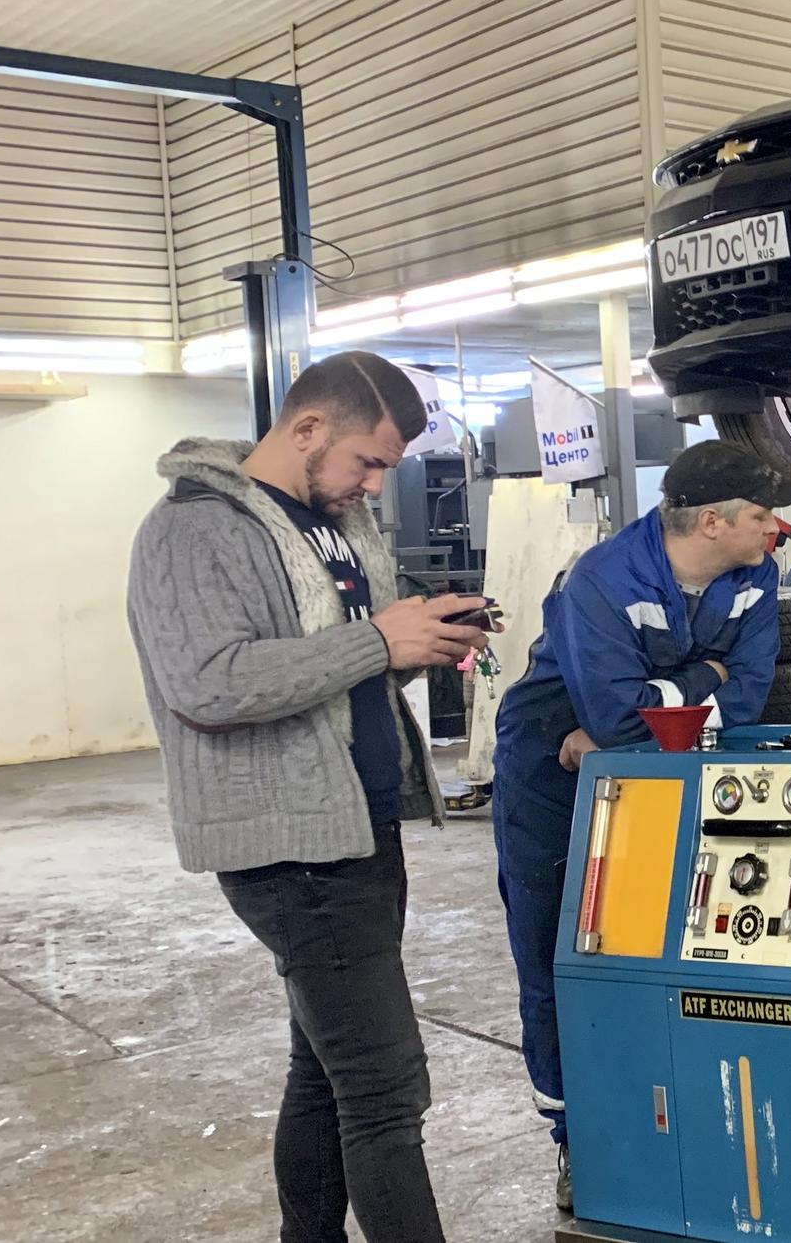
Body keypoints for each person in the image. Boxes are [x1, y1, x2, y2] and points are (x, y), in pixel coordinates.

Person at [126, 351, 495, 1243]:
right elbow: (208, 683)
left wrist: (426, 634)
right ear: (308, 428)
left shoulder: (335, 523)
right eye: (367, 462)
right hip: (289, 845)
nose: (373, 485)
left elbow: (338, 658)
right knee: (384, 1087)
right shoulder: (193, 528)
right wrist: (379, 643)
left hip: (357, 826)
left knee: (327, 1072)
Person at [491, 440, 791, 1210]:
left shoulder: (757, 573)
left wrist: (660, 705)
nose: (775, 529)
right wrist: (702, 679)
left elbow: (748, 694)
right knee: (558, 959)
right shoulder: (603, 579)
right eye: (762, 515)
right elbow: (616, 720)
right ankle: (577, 1141)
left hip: (671, 769)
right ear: (714, 522)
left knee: (677, 947)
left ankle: (681, 1129)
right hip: (550, 774)